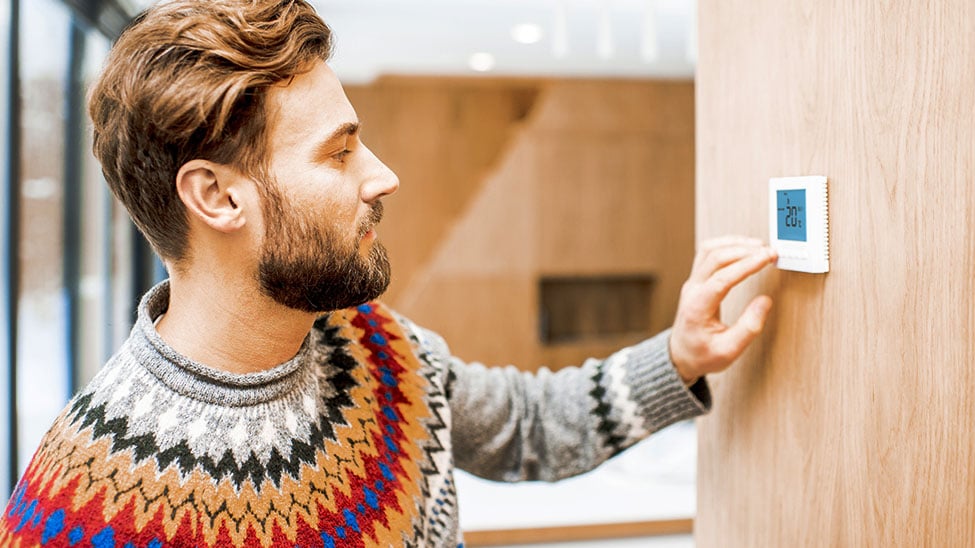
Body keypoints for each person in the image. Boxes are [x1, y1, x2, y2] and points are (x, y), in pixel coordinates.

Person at [0, 1, 777, 546]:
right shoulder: (81, 510)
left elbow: (528, 428)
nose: (383, 176)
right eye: (338, 152)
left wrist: (679, 356)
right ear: (214, 196)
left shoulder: (370, 343)